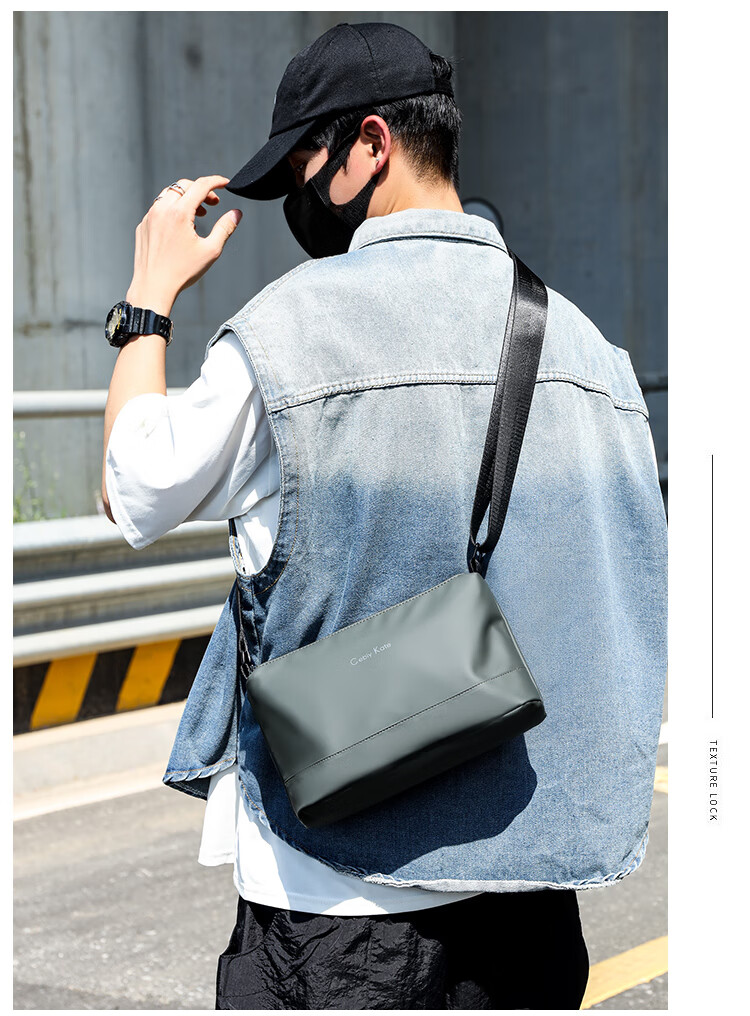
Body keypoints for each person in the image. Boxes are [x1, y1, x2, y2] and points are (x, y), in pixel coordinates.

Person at [101, 21, 666, 1011]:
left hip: (341, 904)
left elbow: (133, 488)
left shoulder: (291, 329)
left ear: (371, 144)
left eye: (303, 169)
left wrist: (148, 301)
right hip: (536, 899)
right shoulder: (593, 353)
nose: (299, 200)